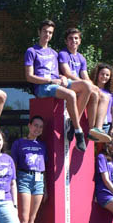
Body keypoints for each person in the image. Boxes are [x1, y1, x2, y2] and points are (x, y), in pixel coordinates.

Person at [24, 19, 90, 151]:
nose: (47, 35)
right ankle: (78, 132)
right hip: (42, 87)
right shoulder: (31, 51)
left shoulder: (54, 53)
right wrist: (49, 81)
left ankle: (73, 121)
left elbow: (57, 73)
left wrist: (62, 77)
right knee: (71, 94)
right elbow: (29, 77)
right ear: (39, 32)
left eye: (50, 32)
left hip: (56, 84)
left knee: (86, 86)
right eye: (45, 31)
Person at [58, 29, 110, 142]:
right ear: (66, 41)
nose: (73, 40)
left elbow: (85, 76)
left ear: (80, 41)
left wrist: (93, 86)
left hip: (82, 86)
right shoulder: (63, 54)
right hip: (68, 84)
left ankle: (95, 129)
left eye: (76, 38)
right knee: (88, 86)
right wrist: (85, 83)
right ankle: (74, 122)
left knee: (102, 96)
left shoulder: (81, 58)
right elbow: (67, 72)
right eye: (70, 38)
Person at [11, 115, 48, 223]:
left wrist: (46, 187)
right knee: (23, 219)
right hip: (24, 178)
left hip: (39, 181)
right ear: (29, 125)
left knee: (32, 219)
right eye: (35, 125)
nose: (38, 129)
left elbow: (44, 168)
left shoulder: (42, 145)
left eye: (40, 127)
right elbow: (13, 164)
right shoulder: (19, 143)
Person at [92, 63, 113, 136]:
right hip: (92, 123)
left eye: (107, 75)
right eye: (102, 74)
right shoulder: (92, 88)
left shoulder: (112, 91)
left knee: (102, 147)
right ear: (97, 74)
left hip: (106, 124)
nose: (104, 77)